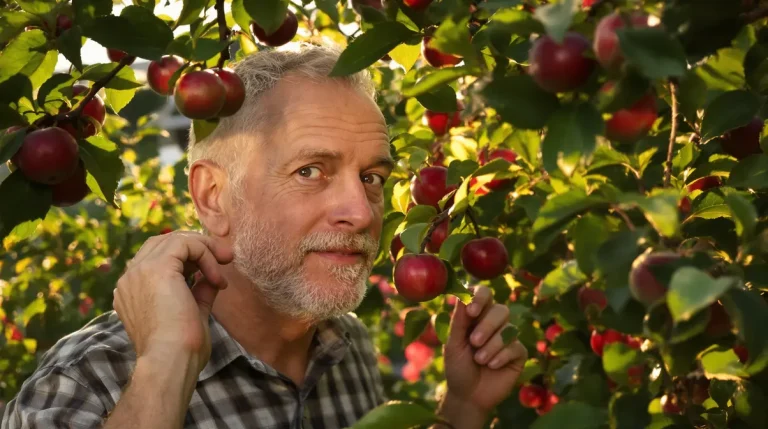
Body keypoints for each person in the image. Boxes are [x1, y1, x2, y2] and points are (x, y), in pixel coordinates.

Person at [1, 42, 527, 429]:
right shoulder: (86, 384)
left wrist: (463, 409)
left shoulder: (344, 345)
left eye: (371, 178)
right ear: (212, 197)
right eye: (310, 171)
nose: (361, 214)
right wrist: (165, 367)